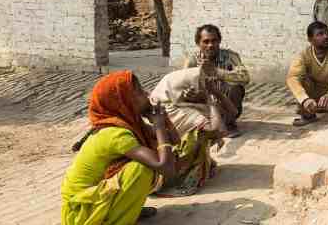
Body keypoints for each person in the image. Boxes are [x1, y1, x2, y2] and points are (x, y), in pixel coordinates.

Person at [61, 71, 176, 225]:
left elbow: (174, 139)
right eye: (140, 92)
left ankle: (124, 208)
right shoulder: (115, 133)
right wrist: (159, 125)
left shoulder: (130, 124)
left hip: (88, 200)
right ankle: (112, 218)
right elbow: (166, 167)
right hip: (80, 211)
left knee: (149, 162)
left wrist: (162, 117)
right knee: (141, 170)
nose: (146, 94)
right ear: (126, 101)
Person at [150, 65, 236, 196]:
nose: (203, 88)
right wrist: (210, 101)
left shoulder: (173, 101)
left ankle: (195, 165)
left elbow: (233, 112)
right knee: (204, 131)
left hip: (166, 160)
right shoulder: (176, 110)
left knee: (207, 125)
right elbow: (219, 130)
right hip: (168, 166)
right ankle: (182, 175)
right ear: (183, 89)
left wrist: (213, 92)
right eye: (199, 84)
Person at [184, 24, 250, 137]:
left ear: (219, 41)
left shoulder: (231, 56)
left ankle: (229, 124)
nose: (210, 45)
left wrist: (216, 71)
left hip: (228, 105)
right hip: (205, 106)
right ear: (198, 43)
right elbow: (183, 85)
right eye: (206, 41)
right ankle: (206, 123)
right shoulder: (192, 61)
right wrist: (188, 93)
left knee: (236, 88)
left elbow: (245, 77)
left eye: (214, 41)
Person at [286, 21, 328, 126]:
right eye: (320, 34)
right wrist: (304, 99)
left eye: (327, 33)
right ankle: (308, 113)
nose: (326, 36)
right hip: (314, 94)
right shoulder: (304, 55)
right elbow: (292, 77)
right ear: (310, 40)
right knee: (301, 78)